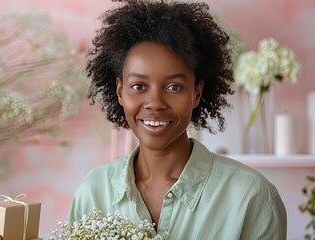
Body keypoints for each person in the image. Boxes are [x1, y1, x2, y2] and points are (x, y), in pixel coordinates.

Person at [68, 0, 287, 239]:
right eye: (138, 86)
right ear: (120, 92)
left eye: (174, 87)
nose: (155, 103)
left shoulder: (252, 198)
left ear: (197, 93)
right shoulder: (93, 192)